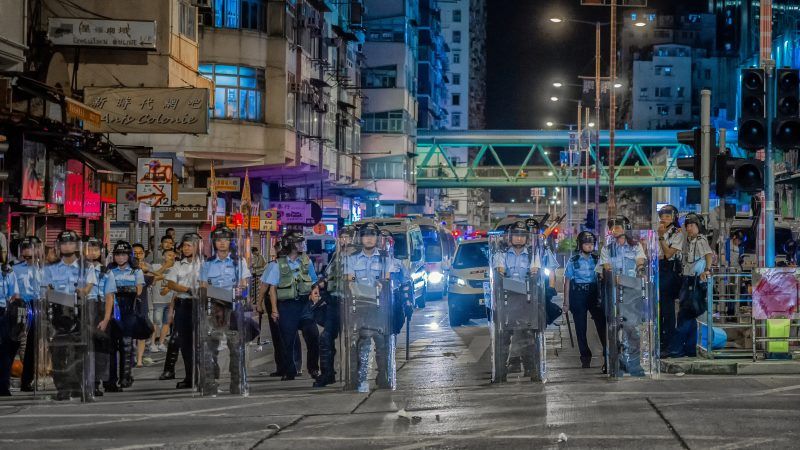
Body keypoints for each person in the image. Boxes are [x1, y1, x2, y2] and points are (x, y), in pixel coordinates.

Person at [343, 223, 400, 391]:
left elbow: (386, 280)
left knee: (382, 342)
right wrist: (366, 288)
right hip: (358, 307)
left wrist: (372, 286)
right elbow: (350, 281)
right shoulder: (351, 258)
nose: (368, 238)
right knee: (355, 343)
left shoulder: (385, 258)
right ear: (360, 238)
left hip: (379, 308)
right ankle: (353, 379)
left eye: (372, 235)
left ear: (377, 238)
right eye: (365, 235)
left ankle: (383, 377)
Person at [42, 231, 96, 400]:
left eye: (71, 243)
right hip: (57, 315)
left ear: (77, 246)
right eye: (63, 243)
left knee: (79, 352)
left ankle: (80, 386)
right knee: (58, 353)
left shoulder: (86, 267)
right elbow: (45, 292)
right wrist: (64, 298)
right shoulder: (50, 268)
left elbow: (87, 290)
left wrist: (70, 296)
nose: (67, 246)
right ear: (58, 246)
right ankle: (62, 388)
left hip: (79, 314)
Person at [260, 231, 319, 381]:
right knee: (287, 340)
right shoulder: (277, 265)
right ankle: (289, 370)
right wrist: (274, 309)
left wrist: (314, 293)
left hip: (304, 304)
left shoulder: (307, 262)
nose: (302, 245)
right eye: (299, 243)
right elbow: (272, 288)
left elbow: (313, 281)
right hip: (286, 306)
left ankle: (313, 368)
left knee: (313, 336)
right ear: (290, 245)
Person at [199, 225, 251, 395]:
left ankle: (237, 384)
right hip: (213, 309)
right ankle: (210, 384)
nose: (222, 243)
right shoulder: (207, 263)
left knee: (236, 348)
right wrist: (225, 293)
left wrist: (230, 293)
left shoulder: (239, 261)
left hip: (234, 309)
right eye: (219, 240)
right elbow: (203, 287)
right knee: (209, 348)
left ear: (231, 242)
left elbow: (244, 286)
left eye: (226, 240)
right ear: (213, 242)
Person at [599, 216, 647, 376]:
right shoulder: (607, 247)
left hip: (632, 292)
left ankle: (634, 364)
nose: (614, 229)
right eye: (612, 227)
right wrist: (611, 274)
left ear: (626, 228)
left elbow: (640, 260)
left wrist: (641, 269)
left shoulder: (635, 246)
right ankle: (615, 364)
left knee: (631, 328)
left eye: (618, 226)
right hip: (613, 291)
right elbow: (606, 266)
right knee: (614, 328)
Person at [492, 221, 540, 379]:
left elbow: (535, 274)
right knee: (504, 334)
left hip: (527, 299)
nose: (519, 239)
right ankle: (500, 371)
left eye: (522, 236)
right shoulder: (501, 253)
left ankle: (530, 368)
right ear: (510, 237)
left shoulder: (533, 253)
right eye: (516, 236)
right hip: (507, 298)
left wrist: (533, 276)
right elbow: (499, 274)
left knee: (527, 333)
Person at [667, 213, 714, 358]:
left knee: (685, 314)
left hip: (694, 281)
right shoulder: (688, 240)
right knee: (690, 315)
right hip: (687, 279)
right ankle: (689, 349)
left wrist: (707, 270)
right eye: (687, 225)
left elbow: (708, 255)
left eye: (692, 225)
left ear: (698, 227)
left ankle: (676, 350)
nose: (689, 228)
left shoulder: (700, 239)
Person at [563, 231, 606, 370]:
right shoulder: (573, 260)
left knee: (602, 325)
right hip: (578, 294)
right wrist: (566, 302)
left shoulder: (597, 259)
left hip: (595, 293)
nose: (589, 246)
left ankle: (607, 354)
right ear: (580, 245)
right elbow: (567, 281)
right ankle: (585, 356)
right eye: (587, 244)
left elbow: (603, 277)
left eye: (591, 244)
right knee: (581, 328)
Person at [163, 233, 201, 388]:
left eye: (189, 245)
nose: (185, 249)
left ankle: (203, 376)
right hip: (183, 305)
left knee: (201, 342)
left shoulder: (205, 264)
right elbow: (171, 284)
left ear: (197, 246)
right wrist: (188, 289)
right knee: (185, 344)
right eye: (184, 245)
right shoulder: (178, 265)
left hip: (200, 305)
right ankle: (190, 377)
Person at [108, 241, 145, 389]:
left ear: (129, 256)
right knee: (111, 345)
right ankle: (111, 379)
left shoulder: (136, 271)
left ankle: (125, 377)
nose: (120, 257)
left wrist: (120, 289)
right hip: (112, 309)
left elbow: (139, 290)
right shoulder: (109, 270)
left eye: (123, 254)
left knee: (126, 345)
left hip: (129, 311)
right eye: (117, 254)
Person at [84, 237, 116, 396]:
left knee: (100, 349)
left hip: (100, 309)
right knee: (83, 348)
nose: (92, 252)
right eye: (89, 249)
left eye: (96, 249)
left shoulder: (106, 272)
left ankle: (96, 383)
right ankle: (82, 382)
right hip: (83, 308)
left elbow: (109, 297)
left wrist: (106, 319)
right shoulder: (78, 270)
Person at [14, 237, 43, 392]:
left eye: (31, 248)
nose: (27, 251)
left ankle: (28, 379)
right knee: (19, 343)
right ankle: (14, 378)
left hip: (39, 306)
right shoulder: (16, 268)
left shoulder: (45, 268)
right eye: (25, 248)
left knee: (33, 345)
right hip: (21, 306)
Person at [656, 205, 684, 354]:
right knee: (659, 310)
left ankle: (669, 344)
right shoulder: (657, 232)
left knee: (668, 310)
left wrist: (661, 237)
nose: (663, 219)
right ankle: (660, 341)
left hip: (670, 272)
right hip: (657, 269)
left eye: (667, 216)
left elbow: (668, 254)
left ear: (674, 218)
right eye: (662, 216)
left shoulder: (677, 233)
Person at [148, 248, 177, 352]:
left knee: (166, 323)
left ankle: (161, 343)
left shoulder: (176, 268)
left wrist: (165, 281)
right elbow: (152, 278)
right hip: (158, 300)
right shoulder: (156, 266)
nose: (172, 257)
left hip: (171, 300)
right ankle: (152, 344)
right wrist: (164, 268)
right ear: (163, 256)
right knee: (155, 322)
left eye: (173, 255)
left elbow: (176, 282)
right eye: (169, 255)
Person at [0, 261, 21, 396]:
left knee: (4, 351)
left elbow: (15, 294)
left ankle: (2, 385)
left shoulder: (6, 270)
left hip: (3, 312)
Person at [132, 243, 153, 367]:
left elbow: (155, 278)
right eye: (135, 253)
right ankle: (131, 358)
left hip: (142, 303)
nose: (137, 255)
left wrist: (146, 270)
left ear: (144, 254)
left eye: (140, 253)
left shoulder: (147, 266)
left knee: (142, 333)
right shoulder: (125, 267)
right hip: (128, 304)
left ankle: (139, 359)